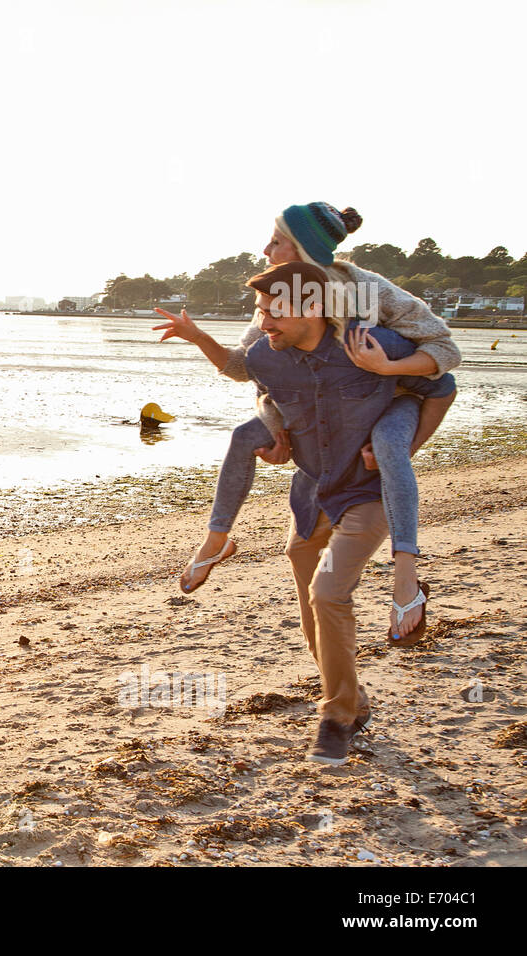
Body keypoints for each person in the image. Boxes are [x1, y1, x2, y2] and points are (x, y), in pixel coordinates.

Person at [153, 203, 460, 643]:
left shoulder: (366, 291)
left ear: (304, 250)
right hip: (320, 413)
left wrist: (384, 368)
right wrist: (275, 421)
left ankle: (406, 578)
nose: (266, 249)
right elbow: (250, 368)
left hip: (395, 397)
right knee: (245, 437)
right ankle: (216, 539)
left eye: (276, 242)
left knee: (390, 450)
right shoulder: (277, 296)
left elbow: (445, 353)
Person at [230, 262, 456, 764]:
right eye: (261, 312)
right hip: (313, 494)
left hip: (369, 494)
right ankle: (352, 700)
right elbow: (270, 400)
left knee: (328, 592)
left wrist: (405, 439)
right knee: (315, 605)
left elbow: (442, 384)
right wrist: (277, 439)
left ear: (312, 307)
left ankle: (335, 717)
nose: (263, 323)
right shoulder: (272, 354)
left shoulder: (369, 344)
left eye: (274, 312)